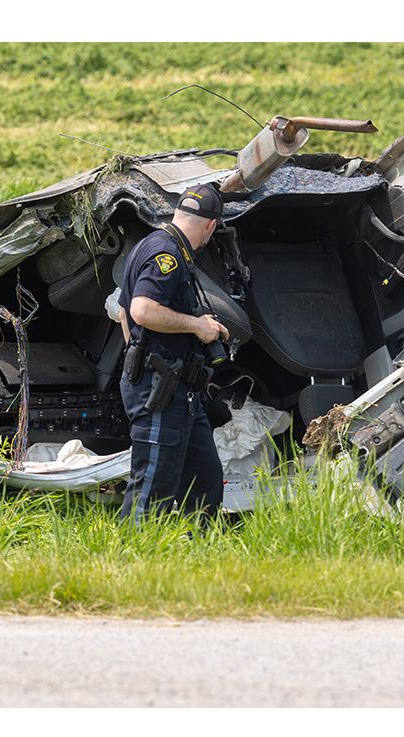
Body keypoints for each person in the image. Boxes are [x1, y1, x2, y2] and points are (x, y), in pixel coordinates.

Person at [114, 183, 230, 523]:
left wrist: (137, 352)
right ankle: (136, 550)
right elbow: (142, 310)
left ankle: (197, 547)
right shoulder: (167, 255)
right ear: (211, 225)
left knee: (205, 478)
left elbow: (122, 312)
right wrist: (196, 326)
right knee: (153, 485)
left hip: (180, 389)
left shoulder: (151, 244)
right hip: (159, 389)